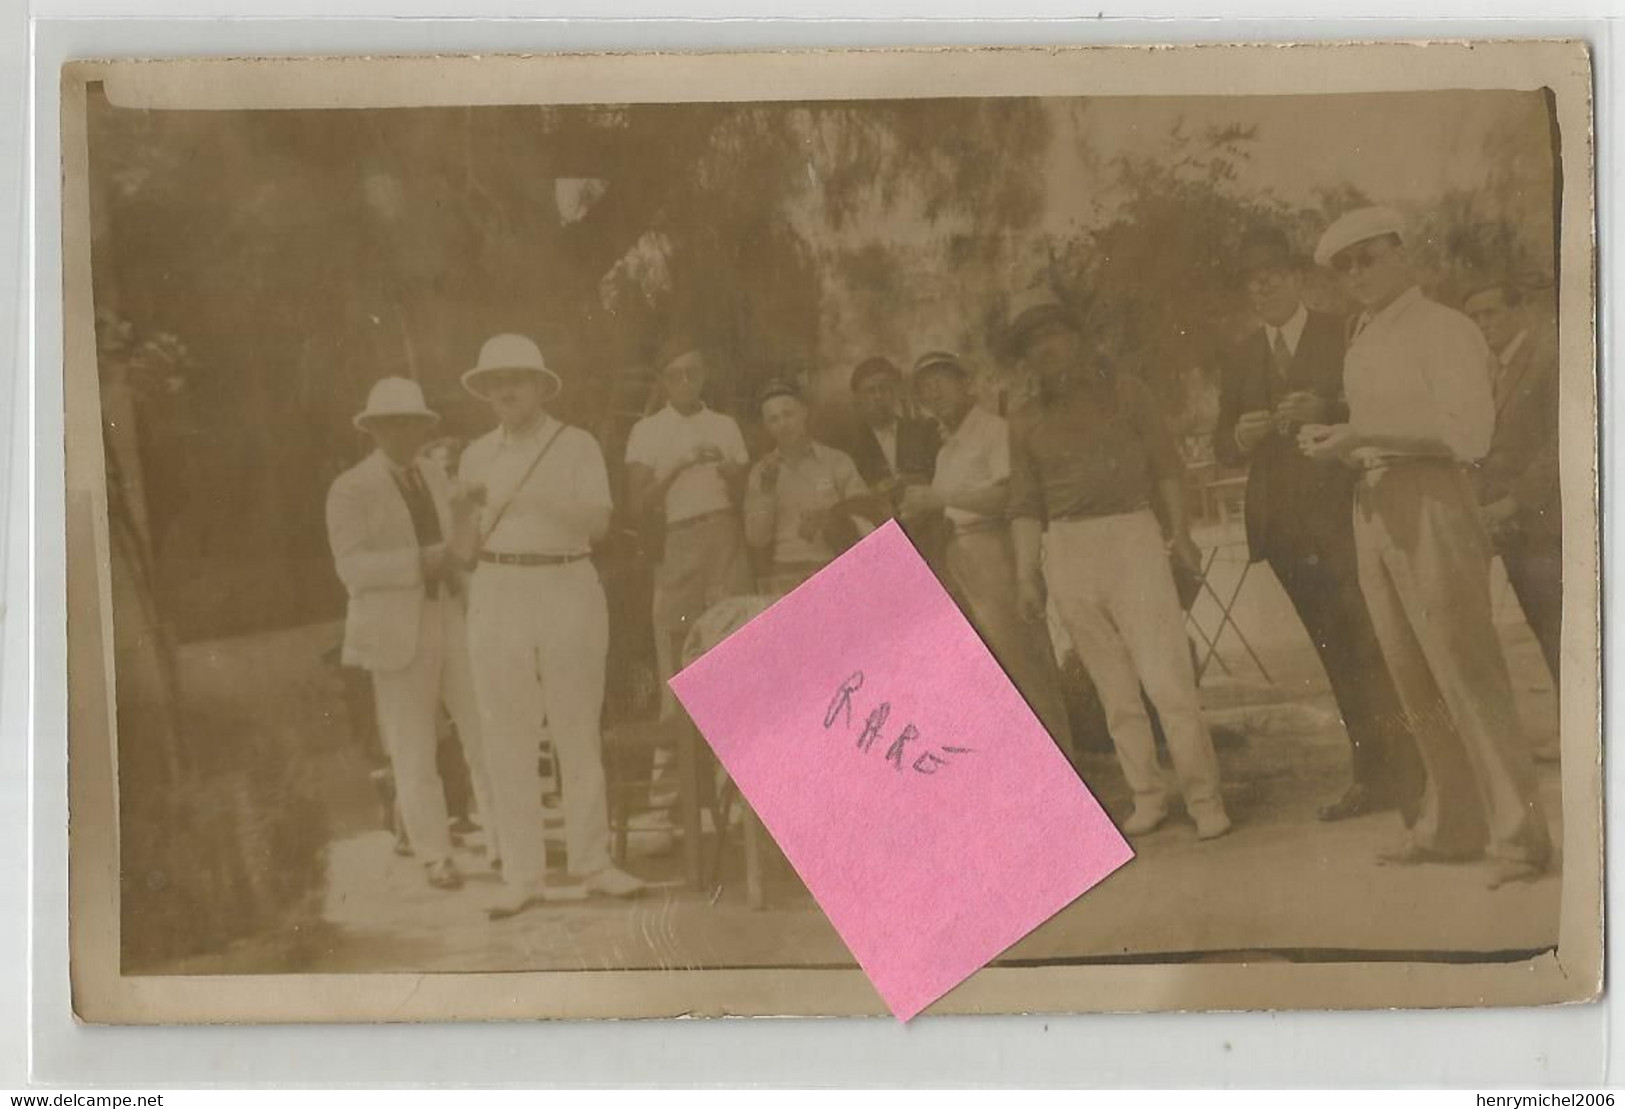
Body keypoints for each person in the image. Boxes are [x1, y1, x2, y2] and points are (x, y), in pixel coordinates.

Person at [1299, 207, 1551, 888]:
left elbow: (1466, 431)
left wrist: (1359, 434)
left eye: (1369, 257)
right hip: (1373, 499)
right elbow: (1377, 427)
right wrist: (1342, 442)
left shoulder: (1444, 328)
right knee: (1412, 674)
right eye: (1343, 266)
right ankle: (1453, 822)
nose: (1357, 274)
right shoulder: (1364, 337)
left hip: (1432, 497)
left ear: (1401, 254)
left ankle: (1520, 835)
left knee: (1465, 667)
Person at [1004, 288, 1232, 841]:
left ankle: (1205, 799)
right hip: (1067, 548)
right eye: (1033, 344)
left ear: (1077, 339)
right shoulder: (1024, 414)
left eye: (1053, 336)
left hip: (1131, 535)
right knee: (1113, 686)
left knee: (1166, 678)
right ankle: (1147, 796)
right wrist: (1026, 575)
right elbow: (1025, 502)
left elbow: (1166, 469)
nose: (1045, 350)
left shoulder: (1126, 392)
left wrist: (1178, 532)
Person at [1213, 225, 1424, 822]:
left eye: (1273, 277)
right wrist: (1239, 436)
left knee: (1375, 644)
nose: (1264, 289)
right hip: (1283, 529)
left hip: (1343, 515)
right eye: (1253, 283)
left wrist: (1327, 410)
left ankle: (1415, 772)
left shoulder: (1342, 332)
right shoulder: (1241, 356)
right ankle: (1372, 777)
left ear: (1298, 279)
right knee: (1335, 654)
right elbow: (1220, 443)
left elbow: (1381, 409)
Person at [451, 333, 646, 918]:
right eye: (493, 382)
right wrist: (463, 509)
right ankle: (522, 874)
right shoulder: (474, 455)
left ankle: (592, 863)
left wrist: (536, 495)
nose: (504, 389)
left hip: (565, 581)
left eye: (516, 378)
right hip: (498, 587)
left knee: (575, 726)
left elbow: (600, 521)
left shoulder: (575, 444)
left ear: (540, 385)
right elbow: (462, 549)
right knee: (506, 733)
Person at [324, 376, 497, 892]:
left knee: (482, 731)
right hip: (396, 629)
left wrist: (469, 523)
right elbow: (352, 569)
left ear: (425, 428)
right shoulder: (350, 488)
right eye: (391, 424)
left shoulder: (434, 474)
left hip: (448, 614)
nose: (403, 433)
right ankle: (434, 853)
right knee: (413, 747)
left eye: (413, 424)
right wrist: (422, 561)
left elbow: (461, 543)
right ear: (373, 429)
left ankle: (503, 841)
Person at [902, 350, 1073, 753]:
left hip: (996, 547)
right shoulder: (947, 447)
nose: (934, 393)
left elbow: (1010, 496)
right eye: (925, 389)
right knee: (989, 669)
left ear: (967, 384)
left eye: (942, 382)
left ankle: (1063, 765)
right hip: (960, 554)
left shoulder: (995, 430)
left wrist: (936, 496)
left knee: (1023, 664)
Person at [624, 337, 752, 719]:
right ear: (662, 382)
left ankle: (734, 755)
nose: (685, 382)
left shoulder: (725, 425)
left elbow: (747, 490)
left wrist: (732, 473)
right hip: (677, 540)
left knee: (733, 634)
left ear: (703, 375)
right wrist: (677, 466)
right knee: (678, 643)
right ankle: (677, 753)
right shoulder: (647, 430)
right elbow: (636, 503)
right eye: (675, 375)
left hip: (724, 535)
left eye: (692, 373)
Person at [1462, 280, 1563, 702]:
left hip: (1545, 522)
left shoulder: (1546, 358)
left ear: (1517, 309)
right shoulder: (1488, 368)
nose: (1484, 324)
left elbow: (1560, 441)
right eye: (1476, 317)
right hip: (1505, 526)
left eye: (1492, 312)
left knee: (1562, 629)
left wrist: (1515, 501)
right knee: (1542, 627)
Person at [743, 381, 873, 595]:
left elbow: (868, 516)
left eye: (788, 414)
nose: (783, 424)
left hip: (834, 565)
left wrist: (832, 518)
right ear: (766, 427)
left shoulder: (836, 461)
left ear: (804, 412)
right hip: (785, 573)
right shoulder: (761, 472)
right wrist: (766, 492)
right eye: (774, 419)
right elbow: (757, 538)